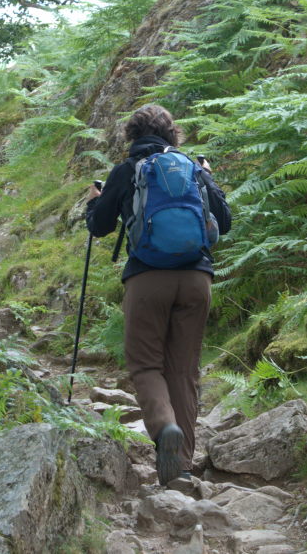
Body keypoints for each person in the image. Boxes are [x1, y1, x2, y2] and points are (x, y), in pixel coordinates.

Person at [85, 104, 231, 486]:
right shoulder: (191, 168)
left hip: (147, 278)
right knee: (184, 370)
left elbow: (99, 226)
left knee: (146, 365)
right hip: (196, 279)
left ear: (132, 135)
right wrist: (209, 179)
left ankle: (165, 427)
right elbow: (225, 221)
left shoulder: (127, 169)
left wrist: (95, 200)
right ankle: (180, 467)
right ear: (173, 135)